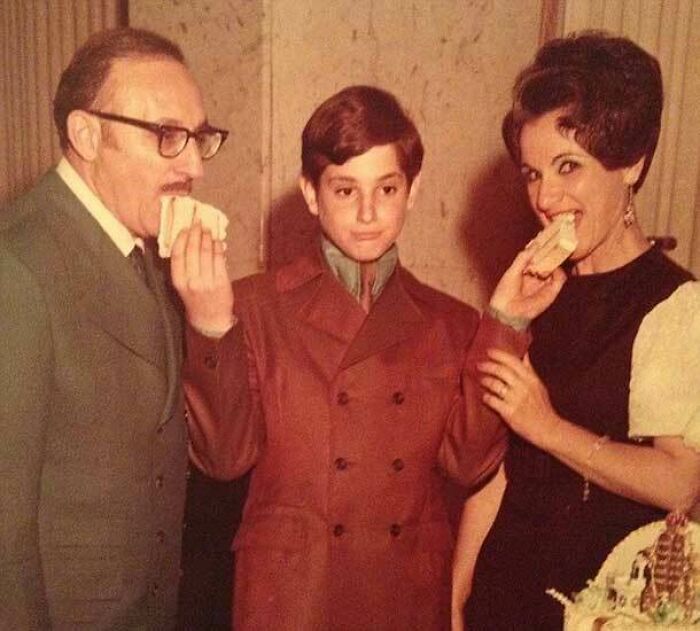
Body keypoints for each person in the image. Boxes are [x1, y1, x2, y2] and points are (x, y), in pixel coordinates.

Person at [171, 85, 561, 630]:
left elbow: (468, 463)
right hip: (292, 596)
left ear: (413, 190)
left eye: (387, 188)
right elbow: (223, 457)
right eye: (344, 190)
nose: (368, 213)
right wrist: (211, 324)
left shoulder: (451, 322)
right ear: (310, 193)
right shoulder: (254, 306)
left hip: (402, 594)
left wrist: (507, 322)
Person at [452, 32, 700, 631]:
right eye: (532, 173)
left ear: (633, 162)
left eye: (569, 167)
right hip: (504, 593)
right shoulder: (534, 289)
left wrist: (547, 426)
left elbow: (681, 484)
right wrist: (456, 602)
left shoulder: (675, 305)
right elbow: (492, 472)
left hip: (600, 607)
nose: (545, 196)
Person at [0, 27, 230, 629]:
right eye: (166, 137)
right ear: (86, 134)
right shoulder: (17, 267)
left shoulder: (148, 249)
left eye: (198, 138)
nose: (193, 167)